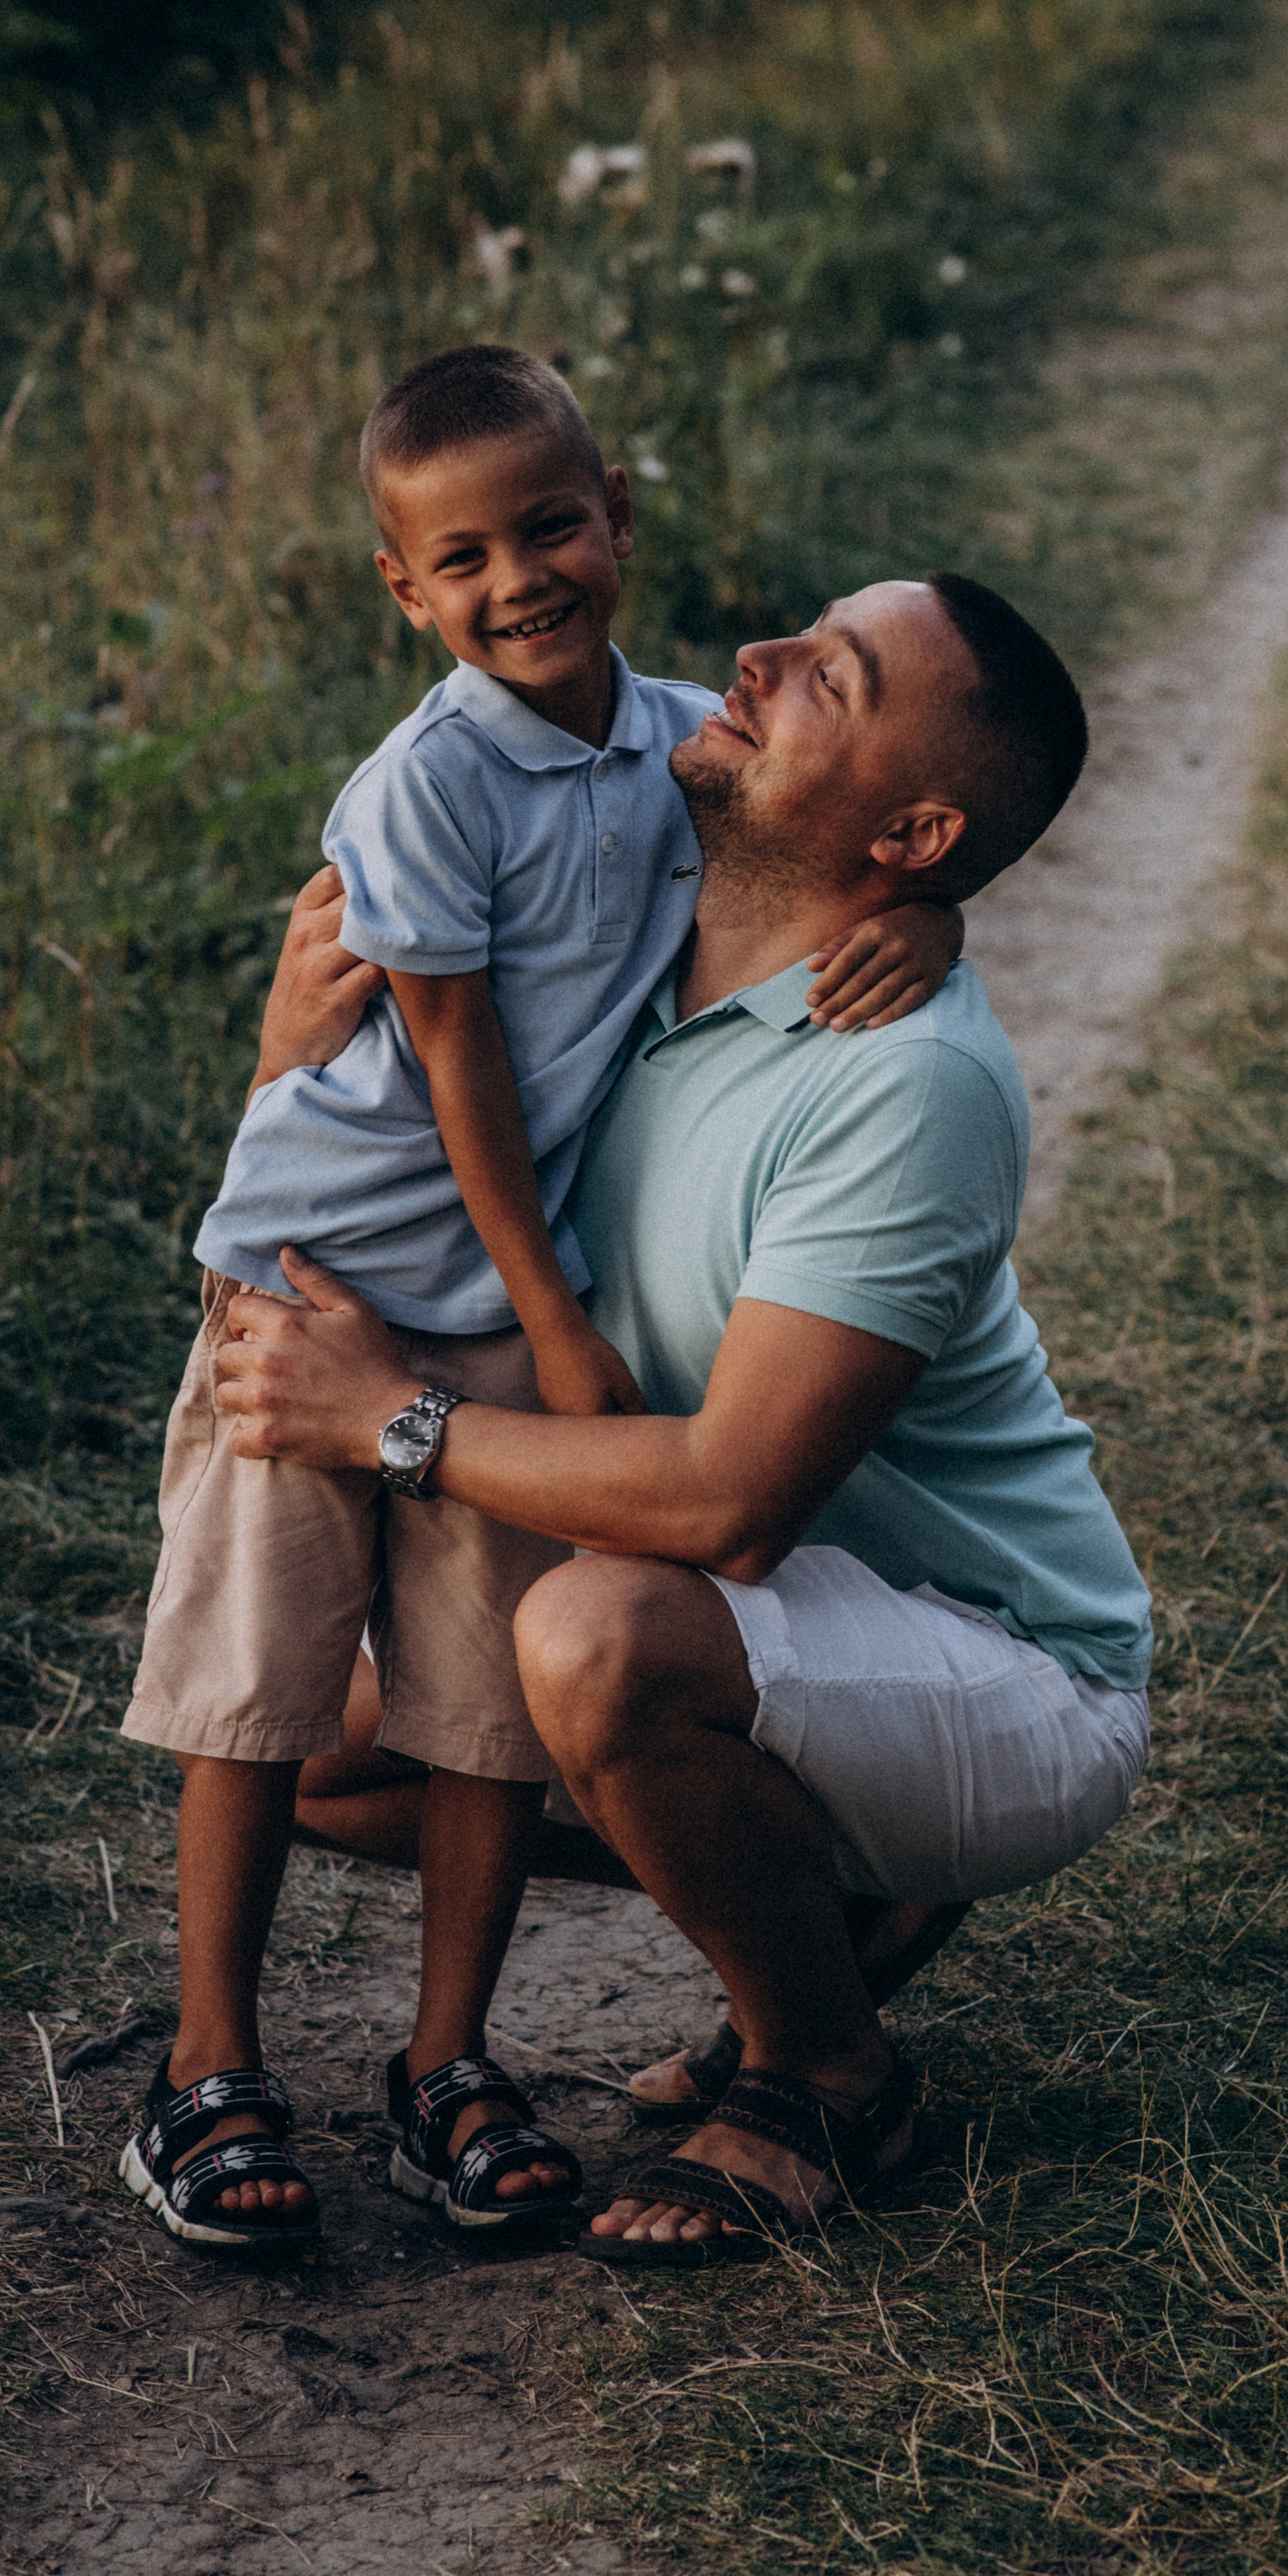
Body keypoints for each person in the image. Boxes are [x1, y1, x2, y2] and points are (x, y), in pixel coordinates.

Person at [117, 347, 962, 2252]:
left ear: (619, 520)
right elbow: (459, 1072)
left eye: (552, 524)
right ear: (404, 592)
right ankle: (208, 2065)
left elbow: (845, 833)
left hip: (489, 1315)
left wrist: (930, 911)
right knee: (256, 1682)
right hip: (326, 1281)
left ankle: (445, 2061)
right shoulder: (423, 781)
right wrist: (556, 1323)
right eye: (465, 555)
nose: (521, 578)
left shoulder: (670, 740)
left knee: (481, 1696)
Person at [212, 570, 1156, 2258]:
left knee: (587, 1638)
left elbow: (727, 1505)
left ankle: (821, 2068)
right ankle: (842, 1881)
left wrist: (394, 1423)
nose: (758, 659)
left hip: (1007, 1665)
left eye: (828, 682)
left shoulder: (905, 1080)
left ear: (913, 830)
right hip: (789, 1632)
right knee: (316, 1745)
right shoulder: (638, 947)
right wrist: (290, 1035)